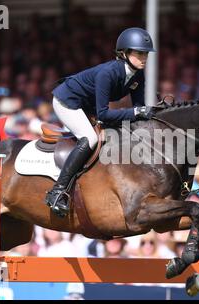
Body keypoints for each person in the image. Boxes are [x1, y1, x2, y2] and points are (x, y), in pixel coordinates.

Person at [45, 27, 156, 215]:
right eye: (139, 53)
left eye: (145, 54)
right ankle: (57, 191)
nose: (144, 58)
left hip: (87, 105)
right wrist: (137, 112)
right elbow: (104, 114)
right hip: (68, 101)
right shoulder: (108, 73)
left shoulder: (138, 75)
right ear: (124, 53)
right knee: (90, 138)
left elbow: (138, 111)